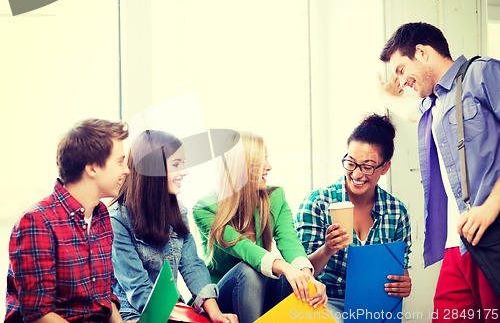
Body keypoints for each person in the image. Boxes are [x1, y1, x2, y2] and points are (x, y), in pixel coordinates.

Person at [379, 22, 500, 320]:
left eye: (400, 69)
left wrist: (490, 207)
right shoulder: (432, 106)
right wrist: (384, 94)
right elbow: (406, 110)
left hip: (491, 233)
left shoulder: (481, 74)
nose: (401, 80)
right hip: (455, 245)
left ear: (421, 52)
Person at [193, 131, 327, 323]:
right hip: (223, 297)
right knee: (249, 270)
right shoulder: (205, 208)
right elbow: (242, 248)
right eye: (259, 161)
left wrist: (306, 276)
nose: (268, 167)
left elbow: (290, 242)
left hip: (262, 293)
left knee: (295, 281)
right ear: (238, 167)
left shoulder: (275, 197)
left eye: (267, 158)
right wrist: (286, 268)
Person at [5, 118, 130, 322]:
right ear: (92, 168)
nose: (126, 170)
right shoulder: (36, 222)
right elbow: (38, 314)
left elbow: (105, 298)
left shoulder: (101, 215)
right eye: (119, 161)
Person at [109, 129, 237, 323]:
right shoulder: (117, 220)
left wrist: (215, 314)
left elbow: (192, 265)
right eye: (176, 165)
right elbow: (139, 291)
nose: (184, 172)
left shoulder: (178, 210)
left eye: (183, 164)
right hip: (136, 314)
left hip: (174, 310)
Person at [295, 114, 413, 323]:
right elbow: (299, 272)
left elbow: (398, 268)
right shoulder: (318, 203)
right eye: (351, 163)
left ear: (385, 167)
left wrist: (404, 284)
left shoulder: (397, 212)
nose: (357, 174)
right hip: (324, 303)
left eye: (367, 166)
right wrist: (328, 249)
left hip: (374, 308)